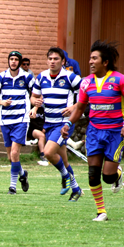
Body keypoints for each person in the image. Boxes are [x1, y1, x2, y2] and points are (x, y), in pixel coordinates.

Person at [61, 40, 124, 221]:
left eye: (94, 58)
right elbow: (80, 108)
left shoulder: (121, 80)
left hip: (115, 133)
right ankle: (101, 212)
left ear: (105, 62)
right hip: (94, 132)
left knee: (107, 177)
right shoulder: (85, 83)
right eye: (90, 58)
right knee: (92, 174)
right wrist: (67, 124)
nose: (90, 62)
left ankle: (117, 174)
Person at [31, 47, 83, 201]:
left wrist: (73, 107)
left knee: (47, 153)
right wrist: (35, 104)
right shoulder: (41, 77)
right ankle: (76, 189)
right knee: (64, 160)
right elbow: (33, 97)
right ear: (47, 60)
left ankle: (66, 177)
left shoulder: (70, 77)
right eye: (50, 59)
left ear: (63, 61)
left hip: (64, 124)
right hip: (50, 123)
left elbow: (85, 96)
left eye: (56, 59)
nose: (52, 61)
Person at [0, 51, 34, 194]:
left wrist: (35, 108)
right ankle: (22, 174)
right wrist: (2, 102)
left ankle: (12, 187)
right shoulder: (1, 77)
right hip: (5, 120)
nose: (13, 62)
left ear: (19, 62)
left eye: (16, 59)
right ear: (8, 61)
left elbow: (37, 94)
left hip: (21, 119)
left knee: (15, 153)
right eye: (11, 59)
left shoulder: (27, 77)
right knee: (10, 157)